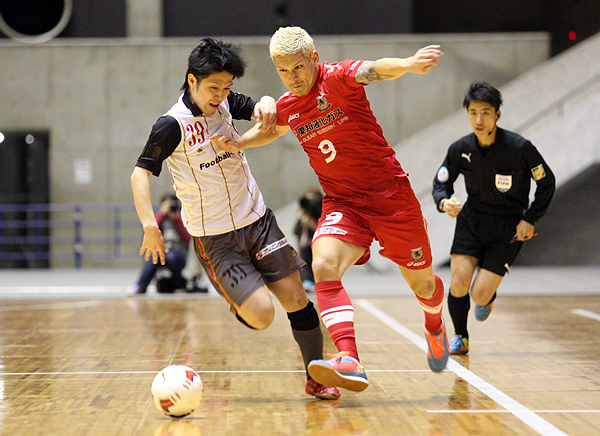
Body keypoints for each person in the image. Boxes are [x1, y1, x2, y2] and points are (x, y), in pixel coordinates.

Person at [211, 26, 448, 392]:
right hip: (343, 203)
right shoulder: (289, 104)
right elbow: (272, 130)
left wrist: (408, 64)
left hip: (391, 200)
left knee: (423, 284)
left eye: (298, 67)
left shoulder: (337, 78)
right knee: (322, 264)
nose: (293, 77)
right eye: (283, 71)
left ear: (315, 59)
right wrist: (238, 143)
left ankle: (434, 323)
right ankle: (349, 357)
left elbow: (374, 69)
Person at [130, 38, 340, 400]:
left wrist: (268, 102)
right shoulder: (172, 125)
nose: (221, 95)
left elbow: (262, 107)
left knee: (296, 298)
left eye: (227, 87)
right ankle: (241, 296)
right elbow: (139, 174)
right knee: (262, 315)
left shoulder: (226, 102)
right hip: (216, 239)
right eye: (214, 87)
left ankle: (317, 376)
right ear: (192, 80)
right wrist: (150, 225)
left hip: (257, 222)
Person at [432, 81, 555, 355]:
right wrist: (444, 201)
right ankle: (461, 336)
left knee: (479, 294)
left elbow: (546, 182)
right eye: (473, 112)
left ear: (497, 115)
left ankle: (487, 298)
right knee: (459, 282)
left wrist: (531, 218)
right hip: (471, 222)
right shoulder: (460, 148)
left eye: (485, 113)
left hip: (508, 228)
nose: (479, 119)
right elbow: (441, 182)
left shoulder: (520, 148)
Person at [128, 194, 194, 295]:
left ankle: (179, 286)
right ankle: (141, 286)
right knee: (155, 256)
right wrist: (161, 214)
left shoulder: (182, 219)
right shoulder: (159, 218)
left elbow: (187, 238)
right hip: (161, 252)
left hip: (178, 254)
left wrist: (177, 219)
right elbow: (151, 231)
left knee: (172, 257)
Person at [293, 189, 323, 292]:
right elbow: (295, 231)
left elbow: (323, 231)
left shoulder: (322, 214)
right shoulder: (304, 215)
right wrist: (300, 217)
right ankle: (306, 282)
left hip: (318, 246)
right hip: (305, 246)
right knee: (303, 262)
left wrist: (313, 225)